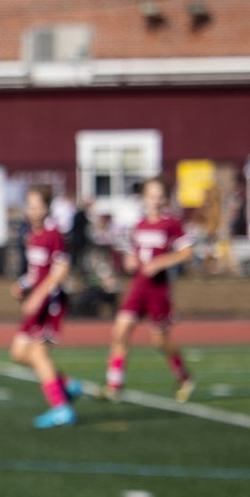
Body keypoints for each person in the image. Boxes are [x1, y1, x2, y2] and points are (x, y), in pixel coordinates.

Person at [99, 178, 197, 403]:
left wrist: (161, 262)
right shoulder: (139, 224)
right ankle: (114, 385)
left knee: (159, 340)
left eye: (159, 196)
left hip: (158, 289)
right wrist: (129, 260)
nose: (154, 200)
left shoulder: (171, 223)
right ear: (144, 198)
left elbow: (186, 252)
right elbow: (133, 253)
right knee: (120, 331)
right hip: (138, 286)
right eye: (150, 195)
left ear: (164, 198)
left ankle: (184, 377)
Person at [11, 186, 83, 429]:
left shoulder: (54, 234)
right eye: (29, 206)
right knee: (19, 352)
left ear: (46, 208)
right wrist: (23, 285)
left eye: (37, 206)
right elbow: (36, 271)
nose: (33, 211)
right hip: (37, 302)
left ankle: (61, 408)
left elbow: (60, 270)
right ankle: (67, 385)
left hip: (50, 304)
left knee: (38, 355)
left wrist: (38, 296)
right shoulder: (31, 235)